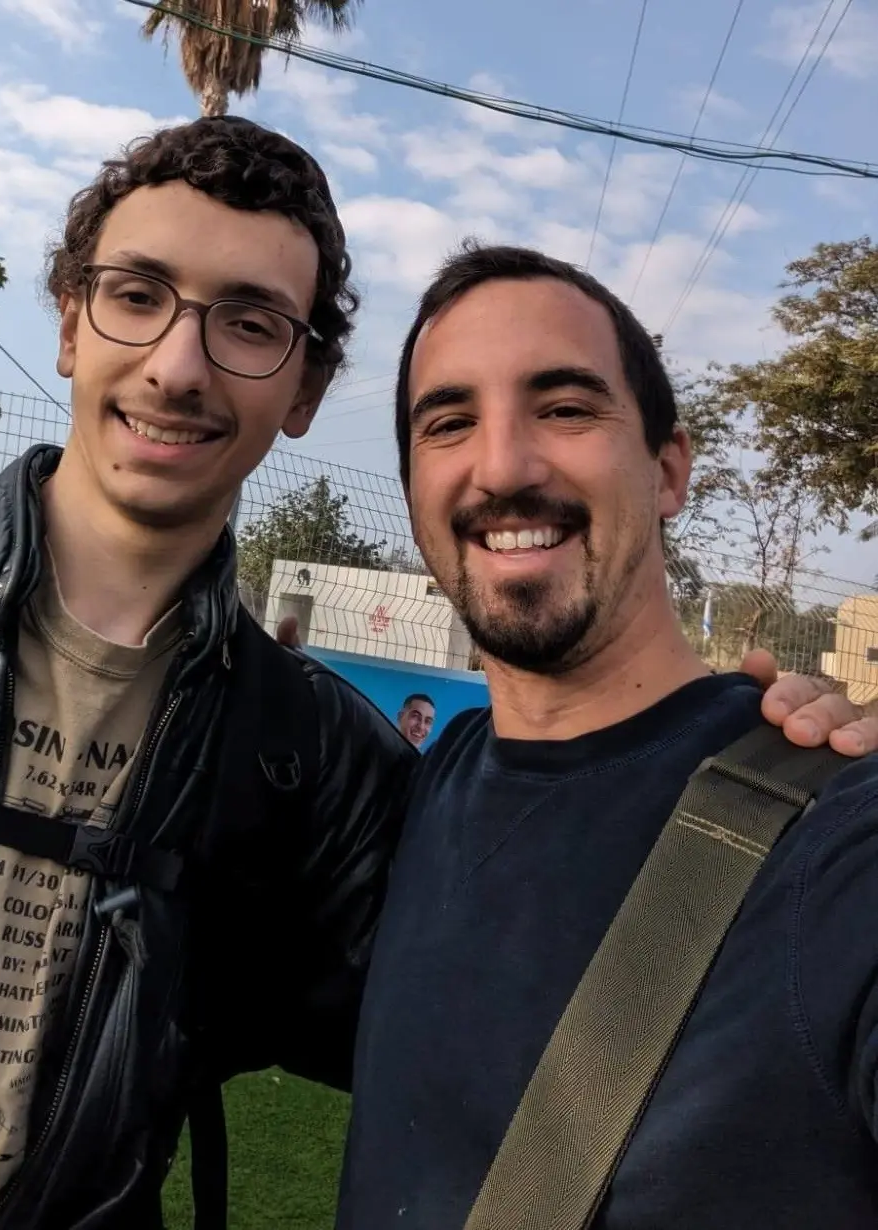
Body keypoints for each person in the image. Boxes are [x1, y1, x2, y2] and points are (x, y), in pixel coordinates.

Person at [0, 121, 866, 1230]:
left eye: (248, 323)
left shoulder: (312, 761)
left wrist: (772, 753)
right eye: (136, 297)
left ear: (301, 392)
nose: (178, 366)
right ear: (68, 323)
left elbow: (517, 971)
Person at [337, 243, 878, 1230]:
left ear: (668, 470)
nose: (500, 465)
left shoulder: (836, 835)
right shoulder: (432, 783)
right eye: (449, 421)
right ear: (414, 488)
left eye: (566, 407)